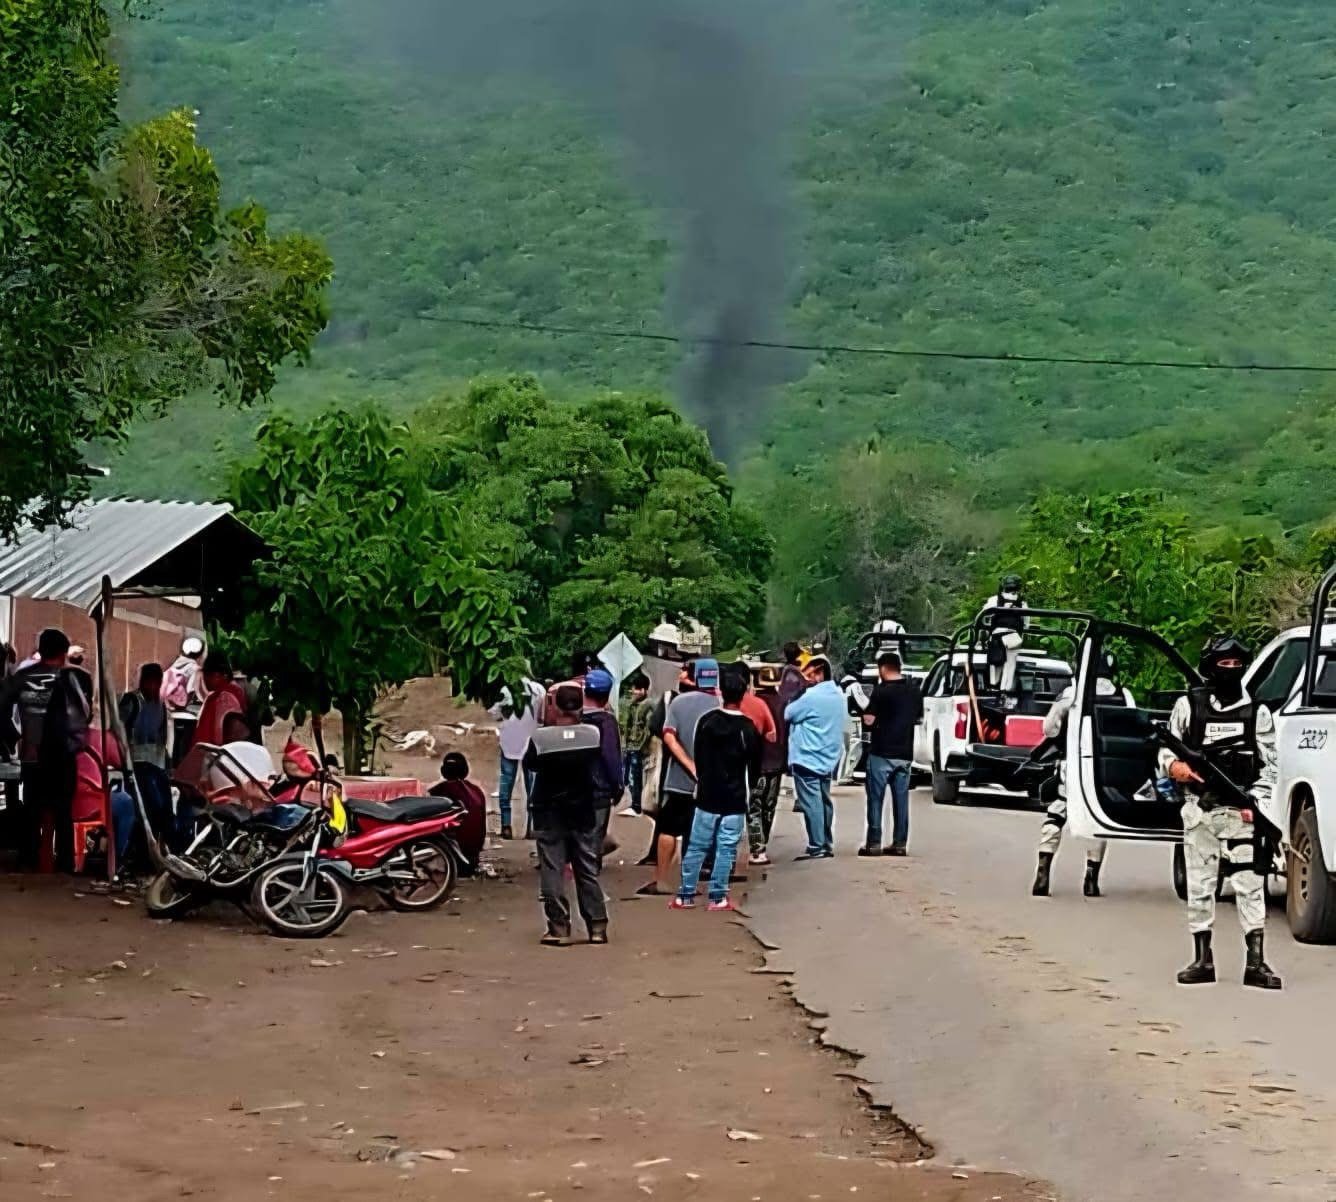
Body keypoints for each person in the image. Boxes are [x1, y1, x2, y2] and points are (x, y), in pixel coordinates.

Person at [1161, 635, 1282, 990]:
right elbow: (1167, 748)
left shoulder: (1256, 712)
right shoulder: (1189, 706)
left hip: (1241, 813)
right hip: (1198, 810)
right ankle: (1202, 959)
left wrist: (1253, 802)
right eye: (1223, 664)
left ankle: (1256, 962)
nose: (1230, 671)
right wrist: (1175, 768)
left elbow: (1270, 766)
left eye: (1236, 665)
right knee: (1200, 885)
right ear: (1210, 667)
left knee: (1249, 885)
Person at [1032, 652, 1133, 898]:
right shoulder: (1124, 695)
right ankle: (1091, 878)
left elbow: (1049, 729)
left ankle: (1043, 870)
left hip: (1072, 765)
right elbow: (1132, 727)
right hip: (1105, 767)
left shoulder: (1071, 694)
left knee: (1056, 812)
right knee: (1096, 820)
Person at [672, 665, 762, 911]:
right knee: (726, 848)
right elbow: (755, 765)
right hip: (734, 798)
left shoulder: (707, 722)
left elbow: (699, 756)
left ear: (721, 692)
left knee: (697, 846)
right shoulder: (747, 728)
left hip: (707, 794)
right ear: (743, 694)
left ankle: (685, 894)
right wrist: (752, 787)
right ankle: (718, 897)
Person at [524, 684, 608, 946]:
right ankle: (597, 927)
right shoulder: (593, 734)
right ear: (581, 706)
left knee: (552, 868)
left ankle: (559, 927)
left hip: (548, 810)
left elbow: (531, 765)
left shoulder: (541, 739)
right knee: (586, 868)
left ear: (556, 706)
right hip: (582, 809)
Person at [0, 628, 90, 872]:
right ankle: (64, 864)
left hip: (33, 755)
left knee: (32, 811)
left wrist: (13, 738)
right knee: (63, 813)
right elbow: (86, 714)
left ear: (40, 650)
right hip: (64, 756)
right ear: (64, 652)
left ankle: (29, 860)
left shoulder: (21, 677)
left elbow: (2, 707)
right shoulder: (78, 678)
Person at [639, 659, 721, 895]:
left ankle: (662, 880)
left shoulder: (678, 703)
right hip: (711, 781)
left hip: (679, 780)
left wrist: (689, 765)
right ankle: (689, 883)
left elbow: (668, 736)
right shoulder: (720, 704)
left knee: (669, 829)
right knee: (698, 834)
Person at [860, 652, 923, 857]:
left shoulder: (881, 691)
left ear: (882, 668)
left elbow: (869, 720)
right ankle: (900, 843)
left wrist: (866, 715)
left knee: (876, 799)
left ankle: (874, 843)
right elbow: (918, 718)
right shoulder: (914, 691)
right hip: (904, 753)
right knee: (901, 800)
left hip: (881, 752)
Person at [784, 657, 846, 860]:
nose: (806, 680)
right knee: (824, 801)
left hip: (807, 756)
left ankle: (816, 845)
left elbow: (789, 714)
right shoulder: (838, 694)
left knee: (812, 803)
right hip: (828, 756)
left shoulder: (811, 696)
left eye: (809, 675)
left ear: (819, 673)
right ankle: (826, 842)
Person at [119, 663, 175, 846]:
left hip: (156, 766)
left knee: (164, 809)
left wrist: (168, 766)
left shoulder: (160, 705)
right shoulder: (132, 701)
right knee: (148, 808)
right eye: (149, 682)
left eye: (156, 683)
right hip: (137, 765)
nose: (153, 687)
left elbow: (161, 739)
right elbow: (119, 732)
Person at [488, 674, 544, 838]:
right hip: (533, 743)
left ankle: (506, 826)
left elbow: (494, 714)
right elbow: (543, 715)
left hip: (509, 742)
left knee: (506, 782)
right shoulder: (539, 690)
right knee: (532, 787)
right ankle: (531, 827)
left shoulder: (505, 691)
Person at [747, 673, 787, 867]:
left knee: (754, 806)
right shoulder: (783, 703)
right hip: (777, 762)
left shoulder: (754, 703)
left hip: (758, 763)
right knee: (768, 807)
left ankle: (758, 849)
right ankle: (763, 843)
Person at [580, 668, 624, 846]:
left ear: (585, 692)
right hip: (599, 791)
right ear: (607, 695)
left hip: (573, 790)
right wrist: (618, 787)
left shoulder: (573, 719)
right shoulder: (606, 722)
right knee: (594, 840)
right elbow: (611, 758)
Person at [428, 752, 488, 875]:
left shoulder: (439, 792)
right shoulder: (476, 791)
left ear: (443, 771)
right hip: (472, 858)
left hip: (453, 859)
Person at [979, 574, 1028, 695]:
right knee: (1010, 666)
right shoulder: (1022, 603)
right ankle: (1005, 690)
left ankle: (993, 688)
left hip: (997, 635)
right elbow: (1026, 624)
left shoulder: (994, 600)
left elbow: (982, 616)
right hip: (1013, 636)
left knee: (995, 664)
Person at [192, 653, 247, 748]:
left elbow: (213, 737)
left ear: (221, 675)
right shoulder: (236, 692)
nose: (205, 680)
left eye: (208, 675)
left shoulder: (222, 698)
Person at [618, 672, 653, 816]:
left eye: (637, 689)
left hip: (638, 747)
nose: (634, 692)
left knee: (635, 777)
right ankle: (635, 803)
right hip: (630, 746)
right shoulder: (632, 705)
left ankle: (637, 805)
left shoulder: (647, 706)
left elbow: (648, 729)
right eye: (634, 688)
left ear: (644, 690)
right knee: (629, 777)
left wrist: (641, 746)